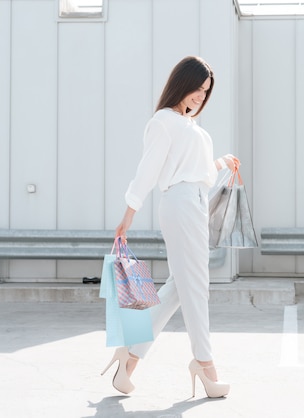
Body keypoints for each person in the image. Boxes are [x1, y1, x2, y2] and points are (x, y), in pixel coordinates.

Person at [101, 56, 239, 398]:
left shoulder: (189, 126)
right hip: (179, 203)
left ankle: (130, 358)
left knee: (182, 286)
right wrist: (128, 215)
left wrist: (222, 162)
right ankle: (205, 365)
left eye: (205, 92)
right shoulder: (163, 121)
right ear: (182, 83)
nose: (200, 97)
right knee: (196, 287)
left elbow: (200, 171)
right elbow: (148, 170)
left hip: (194, 203)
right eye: (197, 89)